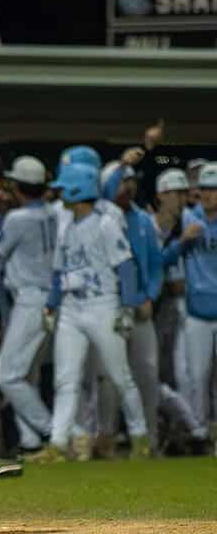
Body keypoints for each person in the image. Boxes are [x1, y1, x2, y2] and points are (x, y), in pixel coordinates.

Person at [36, 163, 150, 462]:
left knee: (119, 376)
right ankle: (58, 443)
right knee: (66, 379)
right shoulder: (68, 224)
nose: (60, 193)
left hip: (103, 305)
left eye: (65, 188)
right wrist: (52, 304)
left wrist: (127, 306)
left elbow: (126, 267)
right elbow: (60, 272)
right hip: (73, 308)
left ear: (79, 190)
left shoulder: (104, 223)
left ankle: (140, 438)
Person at [0, 155, 56, 454]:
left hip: (30, 299)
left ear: (19, 187)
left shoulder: (17, 218)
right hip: (50, 299)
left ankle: (53, 430)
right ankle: (30, 441)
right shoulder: (55, 213)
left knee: (7, 375)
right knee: (26, 375)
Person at [99, 162, 163, 452]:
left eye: (132, 182)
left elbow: (155, 264)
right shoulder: (99, 219)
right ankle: (107, 437)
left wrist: (149, 295)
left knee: (148, 373)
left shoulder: (144, 220)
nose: (128, 187)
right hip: (110, 306)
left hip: (140, 308)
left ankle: (150, 437)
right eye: (122, 182)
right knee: (111, 377)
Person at [152, 169, 208, 449]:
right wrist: (180, 243)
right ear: (162, 195)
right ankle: (184, 427)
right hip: (161, 306)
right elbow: (155, 264)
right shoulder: (151, 225)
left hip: (191, 304)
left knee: (188, 372)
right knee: (163, 375)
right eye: (176, 193)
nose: (181, 198)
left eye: (184, 193)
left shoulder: (193, 219)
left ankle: (195, 430)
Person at [163, 163, 217, 455]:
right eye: (205, 189)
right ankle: (201, 432)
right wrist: (182, 242)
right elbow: (164, 258)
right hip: (197, 311)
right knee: (197, 376)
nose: (208, 195)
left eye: (214, 189)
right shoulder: (187, 219)